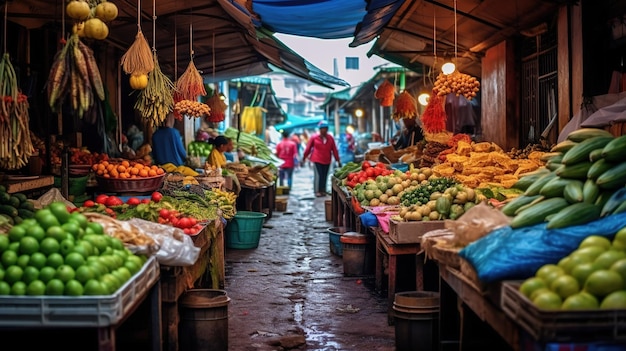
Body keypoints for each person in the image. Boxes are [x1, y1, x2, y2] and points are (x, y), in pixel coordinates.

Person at [302, 120, 341, 197]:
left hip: (327, 160)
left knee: (324, 175)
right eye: (323, 128)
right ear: (320, 129)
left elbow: (334, 149)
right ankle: (317, 191)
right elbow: (308, 148)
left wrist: (338, 160)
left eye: (326, 128)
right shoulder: (314, 138)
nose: (324, 130)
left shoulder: (330, 138)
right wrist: (304, 157)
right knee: (318, 175)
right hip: (317, 159)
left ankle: (323, 190)